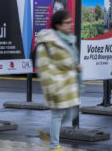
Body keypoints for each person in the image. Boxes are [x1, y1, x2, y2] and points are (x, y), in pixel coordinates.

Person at [35, 9, 81, 151]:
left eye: (71, 22)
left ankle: (48, 133)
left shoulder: (68, 39)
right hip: (57, 85)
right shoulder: (47, 42)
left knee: (71, 112)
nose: (70, 25)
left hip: (69, 84)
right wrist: (53, 88)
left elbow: (70, 60)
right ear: (58, 25)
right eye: (67, 23)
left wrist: (75, 67)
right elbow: (43, 67)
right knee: (58, 114)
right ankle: (54, 146)